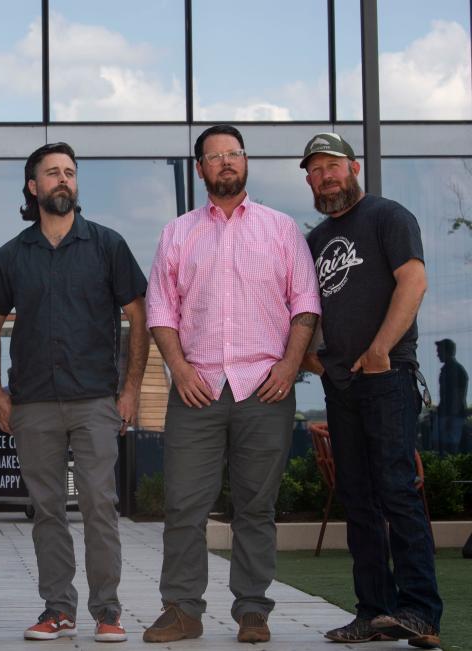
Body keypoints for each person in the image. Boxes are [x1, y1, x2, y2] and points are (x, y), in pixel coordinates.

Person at [144, 125, 320, 644]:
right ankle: (182, 610)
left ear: (246, 163)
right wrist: (179, 370)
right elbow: (160, 310)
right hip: (196, 387)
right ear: (200, 169)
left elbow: (305, 303)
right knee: (183, 506)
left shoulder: (281, 229)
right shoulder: (177, 233)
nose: (226, 163)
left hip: (265, 387)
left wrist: (289, 368)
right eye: (215, 156)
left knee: (256, 507)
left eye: (234, 154)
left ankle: (252, 611)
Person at [0, 142, 149, 643]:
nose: (63, 180)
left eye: (70, 173)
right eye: (52, 173)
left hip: (96, 400)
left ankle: (107, 611)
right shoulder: (13, 255)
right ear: (33, 187)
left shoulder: (107, 245)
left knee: (100, 505)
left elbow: (138, 317)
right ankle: (58, 609)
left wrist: (131, 389)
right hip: (32, 403)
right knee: (47, 511)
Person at [302, 132, 443, 648]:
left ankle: (421, 612)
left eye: (331, 167)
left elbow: (414, 282)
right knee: (358, 499)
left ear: (354, 167)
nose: (324, 177)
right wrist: (320, 365)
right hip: (342, 388)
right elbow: (305, 315)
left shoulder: (389, 216)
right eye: (315, 171)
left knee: (397, 492)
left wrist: (381, 349)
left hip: (388, 379)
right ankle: (374, 612)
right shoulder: (315, 241)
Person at [435, 338, 468, 454]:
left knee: (450, 448)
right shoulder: (448, 369)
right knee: (444, 447)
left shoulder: (454, 370)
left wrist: (450, 415)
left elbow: (458, 395)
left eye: (439, 351)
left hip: (451, 415)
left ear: (447, 351)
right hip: (448, 414)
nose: (437, 354)